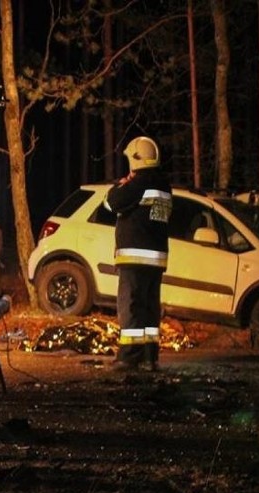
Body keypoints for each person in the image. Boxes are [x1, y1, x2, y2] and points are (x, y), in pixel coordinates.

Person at [103, 136, 172, 372]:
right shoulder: (164, 184)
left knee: (130, 305)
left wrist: (122, 184)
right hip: (157, 259)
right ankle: (149, 357)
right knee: (149, 307)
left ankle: (128, 356)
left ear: (136, 159)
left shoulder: (138, 183)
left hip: (135, 257)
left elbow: (110, 203)